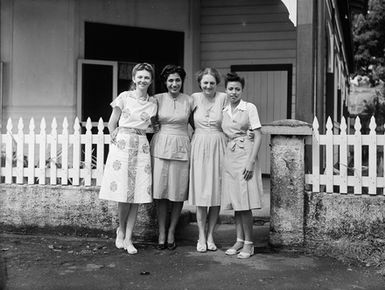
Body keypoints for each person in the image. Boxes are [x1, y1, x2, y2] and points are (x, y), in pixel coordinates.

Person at [99, 63, 157, 255]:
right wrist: (114, 134)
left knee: (138, 196)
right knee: (123, 195)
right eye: (139, 77)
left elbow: (152, 126)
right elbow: (112, 122)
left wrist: (152, 129)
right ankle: (121, 231)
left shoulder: (153, 102)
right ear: (133, 78)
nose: (143, 80)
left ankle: (130, 237)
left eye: (146, 77)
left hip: (141, 146)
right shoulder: (124, 97)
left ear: (151, 80)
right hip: (123, 147)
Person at [221, 72, 263, 259]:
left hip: (246, 154)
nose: (234, 92)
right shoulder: (224, 111)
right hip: (230, 156)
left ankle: (249, 243)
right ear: (226, 90)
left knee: (245, 202)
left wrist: (251, 162)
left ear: (242, 90)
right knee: (236, 202)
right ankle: (239, 240)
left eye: (237, 89)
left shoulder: (249, 108)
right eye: (230, 89)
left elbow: (258, 134)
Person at [150, 65, 192, 250]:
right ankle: (161, 231)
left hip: (182, 146)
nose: (174, 84)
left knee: (178, 191)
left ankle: (172, 231)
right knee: (161, 192)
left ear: (182, 81)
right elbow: (148, 121)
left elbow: (198, 124)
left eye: (177, 80)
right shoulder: (156, 99)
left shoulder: (190, 101)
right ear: (165, 82)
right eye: (170, 80)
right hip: (160, 145)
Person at [189, 67, 227, 252]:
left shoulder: (224, 98)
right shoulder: (193, 98)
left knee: (216, 192)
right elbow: (181, 118)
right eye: (205, 82)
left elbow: (234, 120)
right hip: (199, 144)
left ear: (216, 83)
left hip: (219, 144)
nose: (208, 86)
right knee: (201, 193)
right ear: (200, 83)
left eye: (212, 82)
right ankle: (201, 236)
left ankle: (211, 234)